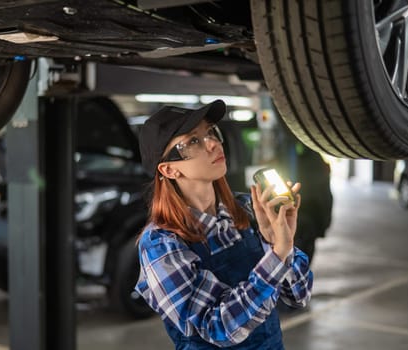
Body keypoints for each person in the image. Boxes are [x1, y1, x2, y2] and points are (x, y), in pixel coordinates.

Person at [134, 100, 313, 349]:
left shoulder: (249, 210)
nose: (213, 143)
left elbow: (299, 296)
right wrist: (277, 255)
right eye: (193, 141)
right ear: (169, 170)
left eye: (210, 132)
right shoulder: (161, 245)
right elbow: (217, 328)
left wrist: (280, 243)